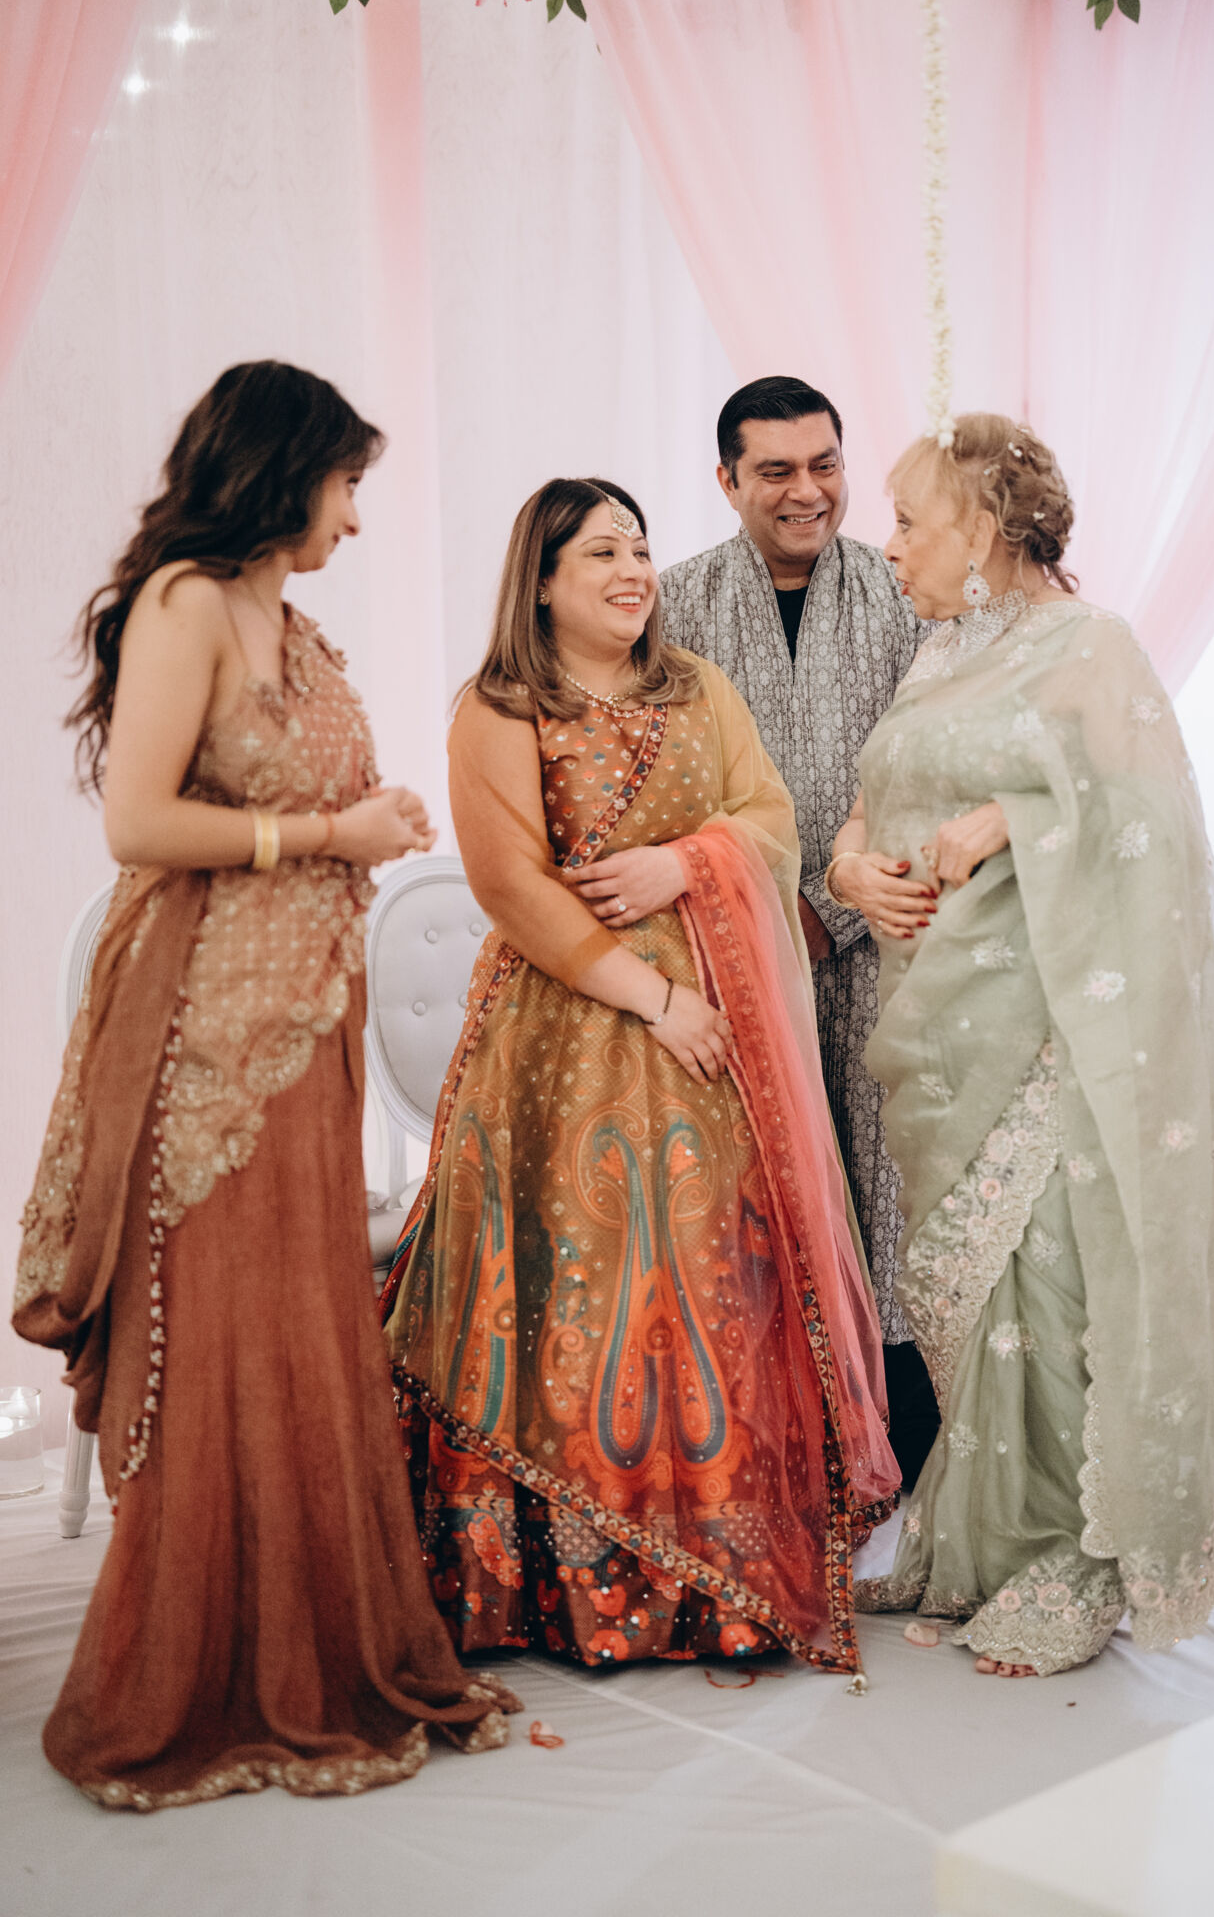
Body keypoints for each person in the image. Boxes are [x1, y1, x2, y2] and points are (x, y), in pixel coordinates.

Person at [13, 361, 519, 1810]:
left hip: (302, 1020)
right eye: (347, 484)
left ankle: (315, 1636)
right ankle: (204, 1668)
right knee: (224, 1321)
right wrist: (326, 836)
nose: (355, 517)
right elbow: (137, 821)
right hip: (205, 1032)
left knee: (300, 1318)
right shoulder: (184, 602)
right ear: (283, 469)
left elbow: (284, 798)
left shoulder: (289, 620)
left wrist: (366, 825)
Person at [380, 477, 900, 1683]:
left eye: (639, 549)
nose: (631, 572)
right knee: (572, 1282)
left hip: (710, 1033)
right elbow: (511, 886)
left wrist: (684, 861)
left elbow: (765, 817)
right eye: (600, 554)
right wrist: (651, 999)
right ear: (541, 582)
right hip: (562, 1041)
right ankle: (559, 1577)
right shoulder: (498, 708)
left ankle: (711, 1567)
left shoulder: (693, 687)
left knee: (714, 1272)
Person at [829, 412, 1214, 1676]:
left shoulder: (1087, 644)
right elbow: (873, 802)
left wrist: (1008, 820)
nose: (888, 545)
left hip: (1048, 1032)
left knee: (1042, 1282)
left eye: (908, 522)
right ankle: (978, 1545)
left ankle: (1073, 1559)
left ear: (980, 530)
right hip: (935, 1023)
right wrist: (848, 868)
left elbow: (1150, 819)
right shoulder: (939, 652)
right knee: (956, 1289)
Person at [660, 376, 940, 1487]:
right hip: (722, 960)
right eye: (774, 470)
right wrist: (750, 929)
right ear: (726, 479)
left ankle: (903, 1451)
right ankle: (771, 1457)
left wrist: (826, 915)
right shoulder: (672, 606)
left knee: (889, 1186)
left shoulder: (904, 593)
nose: (805, 491)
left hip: (887, 943)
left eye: (824, 464)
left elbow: (936, 770)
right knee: (750, 1199)